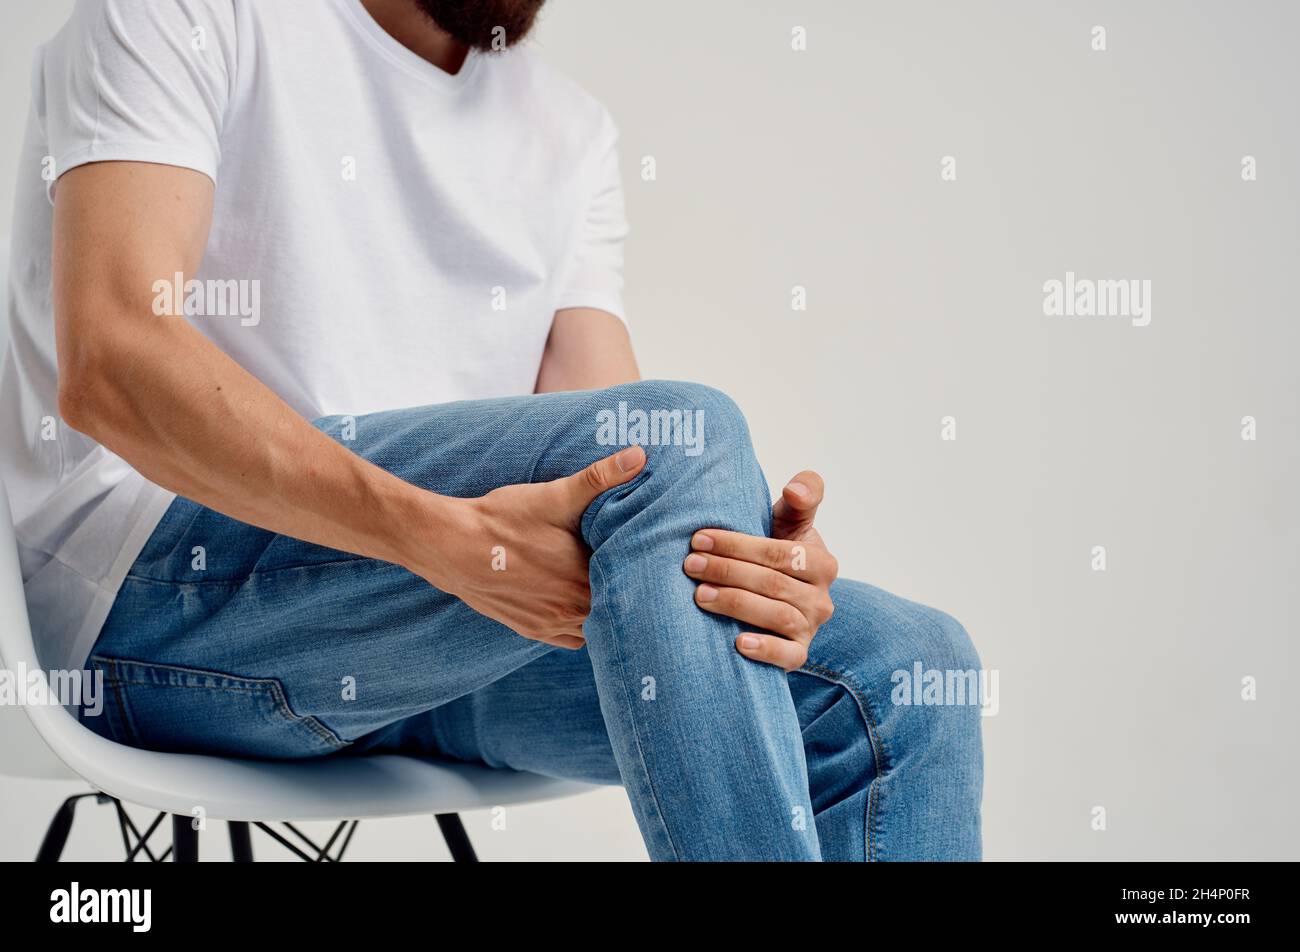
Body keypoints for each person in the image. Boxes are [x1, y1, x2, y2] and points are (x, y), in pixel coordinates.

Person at [0, 0, 982, 861]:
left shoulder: (567, 131)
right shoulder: (189, 11)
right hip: (149, 608)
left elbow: (626, 476)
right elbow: (116, 361)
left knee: (901, 669)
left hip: (432, 640)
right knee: (685, 445)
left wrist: (752, 566)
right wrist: (429, 536)